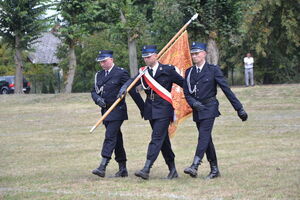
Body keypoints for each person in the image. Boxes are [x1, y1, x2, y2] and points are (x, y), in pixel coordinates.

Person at [183, 42, 248, 179]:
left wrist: (239, 108)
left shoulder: (213, 70)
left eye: (197, 53)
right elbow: (187, 93)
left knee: (203, 135)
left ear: (204, 54)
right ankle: (214, 169)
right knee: (207, 139)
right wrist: (193, 103)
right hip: (197, 109)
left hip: (210, 107)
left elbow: (226, 90)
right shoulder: (189, 72)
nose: (194, 56)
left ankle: (195, 165)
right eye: (193, 53)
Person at [118, 45, 184, 180]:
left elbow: (184, 84)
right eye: (144, 58)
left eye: (149, 57)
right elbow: (131, 82)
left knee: (156, 138)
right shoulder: (143, 72)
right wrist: (124, 88)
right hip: (151, 109)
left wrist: (195, 96)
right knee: (163, 140)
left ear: (156, 55)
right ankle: (172, 169)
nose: (147, 60)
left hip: (164, 109)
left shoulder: (168, 70)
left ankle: (147, 168)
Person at [91, 50, 144, 178]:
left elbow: (131, 89)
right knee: (116, 139)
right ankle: (122, 167)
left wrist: (143, 107)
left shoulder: (120, 72)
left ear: (111, 59)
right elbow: (94, 91)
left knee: (110, 136)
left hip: (117, 111)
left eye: (104, 61)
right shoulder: (99, 75)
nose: (102, 64)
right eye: (100, 62)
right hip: (105, 111)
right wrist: (97, 100)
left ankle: (103, 165)